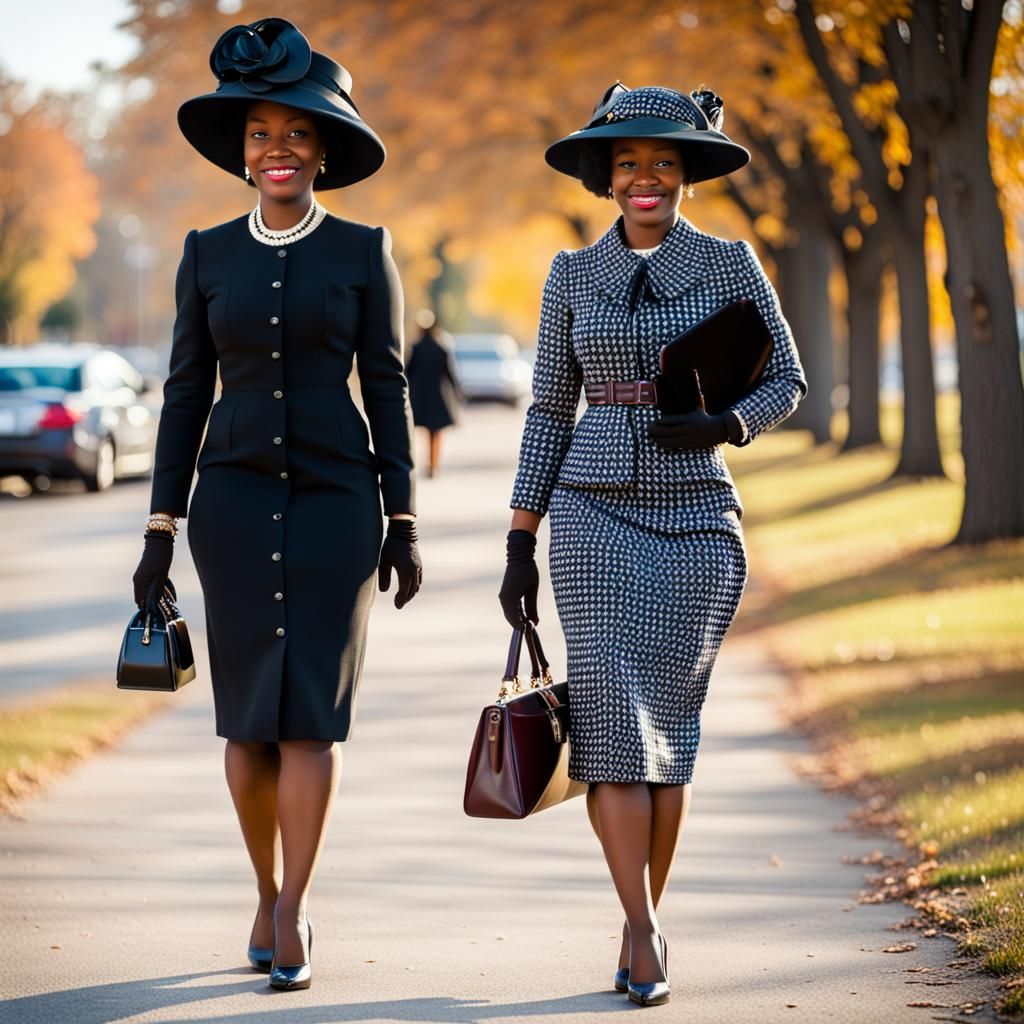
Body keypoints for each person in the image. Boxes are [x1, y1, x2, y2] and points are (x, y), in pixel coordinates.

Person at [498, 82, 807, 1007]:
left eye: (664, 164)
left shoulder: (730, 264)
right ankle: (642, 929)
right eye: (629, 163)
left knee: (663, 736)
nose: (646, 179)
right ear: (605, 176)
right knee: (608, 728)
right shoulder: (569, 275)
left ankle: (644, 920)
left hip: (697, 523)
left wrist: (728, 424)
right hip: (590, 515)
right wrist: (521, 538)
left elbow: (786, 378)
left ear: (687, 176)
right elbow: (551, 406)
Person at [130, 17, 421, 992]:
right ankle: (263, 886)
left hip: (339, 505)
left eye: (296, 134)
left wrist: (404, 514)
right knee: (246, 723)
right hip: (232, 503)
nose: (278, 150)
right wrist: (159, 528)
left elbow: (387, 386)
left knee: (310, 722)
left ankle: (293, 906)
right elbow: (183, 393)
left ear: (323, 150)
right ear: (241, 153)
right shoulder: (206, 254)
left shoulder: (365, 249)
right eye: (261, 134)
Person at [405, 309, 463, 477]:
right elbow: (449, 373)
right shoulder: (441, 348)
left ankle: (428, 464)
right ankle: (434, 465)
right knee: (436, 432)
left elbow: (408, 372)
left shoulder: (416, 348)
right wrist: (458, 391)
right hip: (438, 396)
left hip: (421, 396)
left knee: (425, 432)